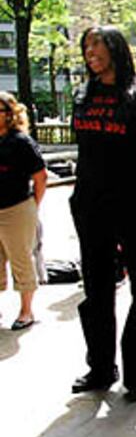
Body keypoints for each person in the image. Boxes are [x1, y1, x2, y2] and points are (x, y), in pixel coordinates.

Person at [70, 25, 136, 402]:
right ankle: (100, 367)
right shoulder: (83, 95)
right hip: (90, 205)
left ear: (116, 48)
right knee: (96, 288)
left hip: (132, 204)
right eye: (86, 45)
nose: (90, 51)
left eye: (97, 44)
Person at [0, 92, 46, 330]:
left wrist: (32, 207)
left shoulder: (21, 142)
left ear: (10, 115)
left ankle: (26, 311)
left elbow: (40, 177)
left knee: (21, 260)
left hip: (16, 207)